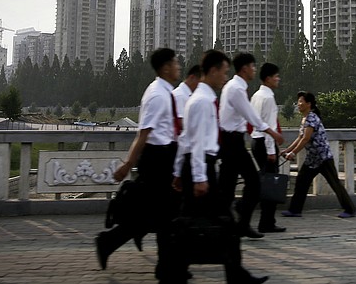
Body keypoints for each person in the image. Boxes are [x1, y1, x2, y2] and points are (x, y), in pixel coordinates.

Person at [171, 50, 268, 284]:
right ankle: (176, 269)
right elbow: (196, 144)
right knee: (221, 221)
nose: (225, 77)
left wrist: (178, 171)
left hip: (197, 167)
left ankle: (174, 269)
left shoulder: (200, 98)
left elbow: (186, 139)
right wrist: (199, 177)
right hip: (202, 168)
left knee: (192, 221)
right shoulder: (203, 101)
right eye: (224, 72)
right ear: (212, 71)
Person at [96, 48, 182, 279]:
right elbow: (143, 134)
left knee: (157, 216)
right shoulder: (157, 95)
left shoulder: (166, 92)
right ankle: (167, 270)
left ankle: (109, 242)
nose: (179, 67)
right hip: (156, 160)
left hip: (165, 156)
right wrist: (127, 164)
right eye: (175, 63)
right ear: (165, 67)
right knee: (165, 218)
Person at [218, 53, 284, 239]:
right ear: (244, 68)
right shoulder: (236, 89)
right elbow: (252, 116)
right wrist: (272, 133)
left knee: (228, 185)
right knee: (253, 183)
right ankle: (240, 220)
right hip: (233, 141)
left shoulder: (240, 88)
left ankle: (231, 222)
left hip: (234, 140)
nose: (254, 69)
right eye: (253, 66)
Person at [280, 91, 356, 219]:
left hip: (322, 157)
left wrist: (293, 153)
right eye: (298, 101)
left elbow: (305, 139)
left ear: (308, 104)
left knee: (335, 184)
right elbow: (300, 137)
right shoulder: (305, 118)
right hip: (312, 159)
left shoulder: (311, 118)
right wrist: (287, 150)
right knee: (301, 182)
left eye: (301, 101)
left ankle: (350, 209)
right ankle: (295, 210)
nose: (298, 104)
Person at [250, 63, 285, 233]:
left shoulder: (256, 95)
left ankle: (267, 220)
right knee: (270, 183)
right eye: (276, 76)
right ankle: (266, 221)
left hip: (256, 141)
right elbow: (269, 125)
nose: (278, 79)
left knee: (264, 181)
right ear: (268, 78)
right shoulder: (269, 98)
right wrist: (271, 151)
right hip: (265, 143)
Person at [172, 64, 202, 133]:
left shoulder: (190, 95)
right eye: (201, 82)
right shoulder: (179, 96)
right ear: (192, 78)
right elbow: (181, 122)